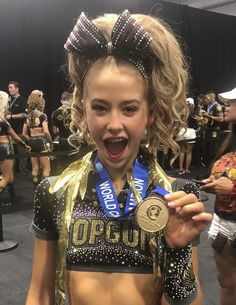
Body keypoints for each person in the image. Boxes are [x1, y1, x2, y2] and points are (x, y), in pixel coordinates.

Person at [26, 11, 212, 305]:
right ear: (83, 110)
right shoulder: (53, 192)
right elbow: (39, 295)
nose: (114, 124)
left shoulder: (176, 198)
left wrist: (177, 251)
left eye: (129, 109)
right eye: (100, 108)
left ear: (149, 113)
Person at [201, 87, 236, 305]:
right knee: (227, 282)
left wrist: (231, 189)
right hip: (223, 221)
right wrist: (212, 183)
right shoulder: (229, 139)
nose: (227, 105)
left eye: (232, 102)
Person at [0, 91, 30, 203]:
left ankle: (12, 200)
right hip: (5, 149)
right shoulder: (4, 122)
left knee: (10, 177)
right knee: (7, 178)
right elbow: (16, 137)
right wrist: (24, 145)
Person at [22, 90, 52, 188]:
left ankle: (36, 189)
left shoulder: (27, 116)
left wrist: (30, 139)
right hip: (42, 142)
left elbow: (23, 134)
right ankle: (44, 192)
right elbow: (46, 132)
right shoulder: (42, 116)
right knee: (46, 169)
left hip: (31, 142)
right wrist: (51, 142)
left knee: (35, 169)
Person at [6, 81, 28, 175]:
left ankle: (23, 171)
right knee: (10, 153)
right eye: (9, 88)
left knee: (22, 152)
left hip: (19, 130)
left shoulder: (22, 100)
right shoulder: (7, 100)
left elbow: (25, 115)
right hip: (8, 131)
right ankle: (11, 172)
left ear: (17, 88)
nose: (9, 89)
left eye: (11, 87)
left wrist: (11, 116)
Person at [51, 91, 74, 173]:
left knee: (62, 165)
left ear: (61, 100)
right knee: (74, 164)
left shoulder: (55, 113)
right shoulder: (74, 112)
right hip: (73, 141)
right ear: (71, 99)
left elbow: (54, 131)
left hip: (62, 141)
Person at [202, 91, 224, 168]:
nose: (205, 100)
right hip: (208, 130)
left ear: (211, 98)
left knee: (214, 150)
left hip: (215, 131)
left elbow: (221, 119)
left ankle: (215, 167)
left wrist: (210, 117)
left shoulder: (217, 106)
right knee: (207, 149)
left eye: (206, 98)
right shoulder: (208, 106)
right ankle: (208, 167)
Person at [176, 98, 197, 175]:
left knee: (182, 151)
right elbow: (197, 122)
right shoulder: (194, 112)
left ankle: (181, 169)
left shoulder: (181, 112)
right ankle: (187, 169)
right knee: (189, 152)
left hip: (181, 131)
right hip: (190, 132)